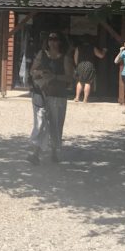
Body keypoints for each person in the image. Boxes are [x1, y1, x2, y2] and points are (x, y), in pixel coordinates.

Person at [28, 32, 74, 164]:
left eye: (55, 39)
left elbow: (69, 77)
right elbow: (32, 71)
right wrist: (40, 73)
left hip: (57, 96)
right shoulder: (41, 55)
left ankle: (54, 152)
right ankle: (35, 154)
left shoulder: (65, 58)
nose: (52, 42)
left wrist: (54, 76)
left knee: (56, 124)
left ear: (60, 42)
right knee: (40, 122)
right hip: (41, 94)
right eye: (50, 39)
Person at [73, 37, 106, 103]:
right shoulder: (93, 48)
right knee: (87, 82)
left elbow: (75, 57)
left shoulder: (78, 48)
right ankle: (85, 99)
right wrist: (104, 51)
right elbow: (101, 56)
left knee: (80, 81)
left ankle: (77, 97)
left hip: (80, 65)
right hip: (89, 65)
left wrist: (77, 65)